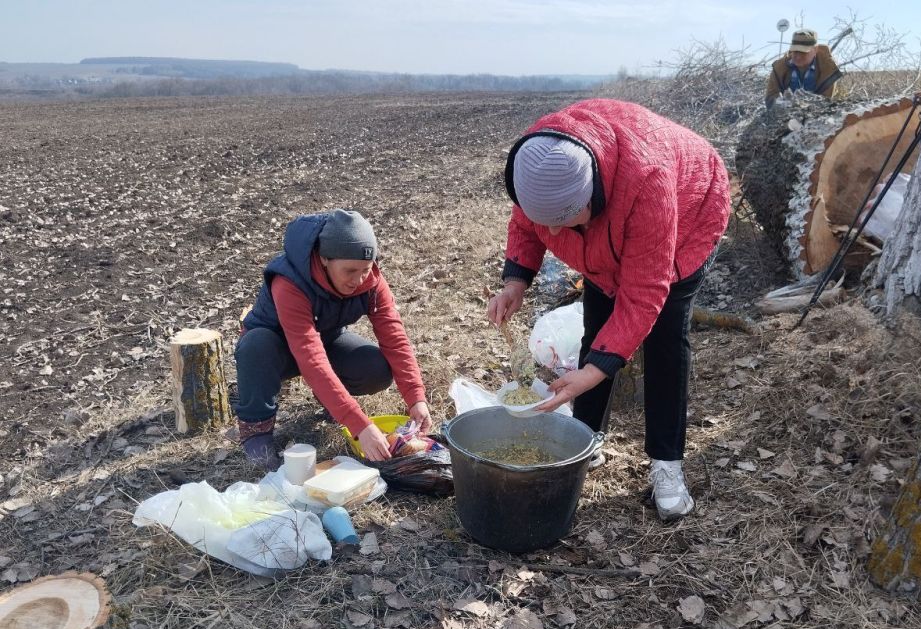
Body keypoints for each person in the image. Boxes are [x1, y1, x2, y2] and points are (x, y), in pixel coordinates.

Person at [487, 99, 730, 521]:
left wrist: (595, 370)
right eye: (550, 224)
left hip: (689, 212)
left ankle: (666, 465)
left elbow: (644, 292)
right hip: (607, 241)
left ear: (592, 193)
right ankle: (585, 437)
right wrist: (516, 281)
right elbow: (526, 223)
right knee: (597, 326)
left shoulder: (647, 183)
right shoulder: (540, 164)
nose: (556, 234)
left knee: (665, 341)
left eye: (567, 220)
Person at [234, 210, 431, 469]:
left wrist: (416, 397)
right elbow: (309, 356)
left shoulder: (371, 283)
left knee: (375, 368)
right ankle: (256, 432)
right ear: (324, 259)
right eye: (349, 271)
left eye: (365, 269)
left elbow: (395, 338)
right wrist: (359, 424)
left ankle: (330, 399)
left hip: (326, 340)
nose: (358, 280)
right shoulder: (289, 282)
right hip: (276, 348)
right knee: (255, 345)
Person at [765, 29, 843, 108]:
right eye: (795, 51)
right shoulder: (779, 68)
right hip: (784, 115)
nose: (798, 56)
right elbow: (770, 98)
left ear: (815, 49)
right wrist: (783, 105)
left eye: (803, 52)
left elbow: (826, 101)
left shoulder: (828, 68)